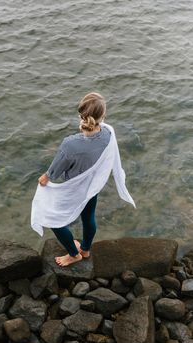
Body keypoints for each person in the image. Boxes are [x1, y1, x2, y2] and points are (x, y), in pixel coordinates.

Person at [32, 92, 135, 267]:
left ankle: (74, 253)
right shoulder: (109, 134)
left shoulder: (70, 144)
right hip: (93, 187)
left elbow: (54, 172)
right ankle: (85, 249)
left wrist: (44, 178)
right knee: (88, 218)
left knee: (52, 220)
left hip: (75, 189)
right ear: (102, 116)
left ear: (81, 116)